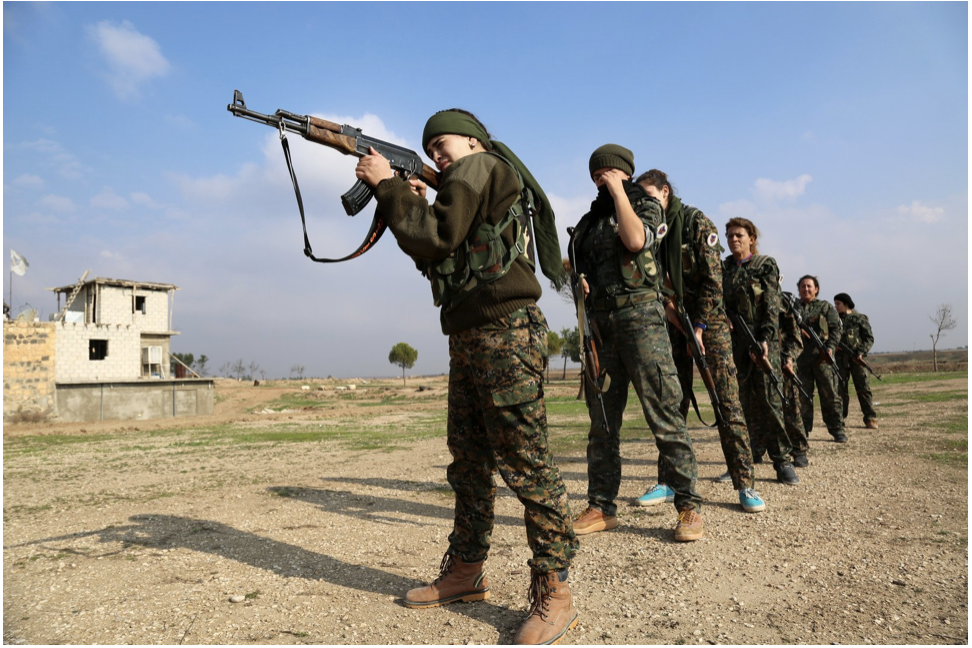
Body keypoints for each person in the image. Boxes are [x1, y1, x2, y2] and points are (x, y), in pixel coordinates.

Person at [355, 109, 577, 645]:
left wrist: (387, 184)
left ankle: (555, 588)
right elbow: (438, 255)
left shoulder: (479, 167)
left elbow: (435, 236)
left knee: (527, 464)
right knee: (470, 460)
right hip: (471, 335)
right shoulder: (467, 182)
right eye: (429, 148)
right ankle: (466, 572)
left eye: (443, 142)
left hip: (505, 331)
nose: (437, 153)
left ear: (473, 140)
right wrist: (405, 196)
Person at [569, 145, 704, 541]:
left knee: (664, 414)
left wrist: (619, 194)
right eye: (596, 172)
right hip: (602, 327)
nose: (601, 175)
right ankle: (601, 505)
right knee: (602, 422)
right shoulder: (589, 222)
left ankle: (689, 506)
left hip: (642, 321)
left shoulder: (646, 206)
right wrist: (581, 284)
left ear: (625, 172)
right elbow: (579, 266)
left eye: (609, 170)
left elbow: (634, 241)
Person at [635, 169, 764, 514]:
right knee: (670, 406)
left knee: (727, 404)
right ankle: (668, 481)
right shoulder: (651, 231)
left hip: (711, 326)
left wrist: (701, 328)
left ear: (665, 192)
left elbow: (713, 281)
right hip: (673, 324)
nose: (644, 204)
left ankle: (745, 483)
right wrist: (670, 310)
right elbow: (649, 279)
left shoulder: (696, 223)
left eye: (649, 197)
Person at [722, 218, 799, 486]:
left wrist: (765, 339)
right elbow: (718, 300)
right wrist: (724, 318)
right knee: (738, 405)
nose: (733, 240)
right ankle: (742, 462)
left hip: (762, 341)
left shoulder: (765, 264)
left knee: (770, 401)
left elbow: (771, 304)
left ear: (751, 238)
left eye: (739, 235)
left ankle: (782, 461)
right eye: (729, 235)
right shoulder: (725, 268)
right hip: (735, 343)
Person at [794, 275, 848, 443]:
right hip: (800, 360)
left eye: (809, 286)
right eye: (803, 286)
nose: (806, 289)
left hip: (822, 359)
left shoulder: (825, 307)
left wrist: (830, 348)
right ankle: (803, 431)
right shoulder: (793, 308)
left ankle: (837, 429)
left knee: (830, 395)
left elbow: (836, 330)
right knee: (802, 397)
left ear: (816, 289)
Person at [833, 293, 878, 429]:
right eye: (835, 304)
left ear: (846, 304)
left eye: (838, 304)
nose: (835, 307)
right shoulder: (834, 320)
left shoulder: (859, 318)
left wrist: (861, 352)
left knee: (863, 388)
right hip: (840, 359)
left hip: (857, 358)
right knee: (840, 390)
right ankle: (840, 419)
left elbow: (869, 338)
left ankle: (870, 418)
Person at [779, 298, 810, 467]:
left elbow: (795, 338)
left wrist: (789, 358)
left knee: (791, 405)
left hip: (783, 361)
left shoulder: (782, 303)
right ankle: (757, 448)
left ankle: (798, 449)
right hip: (751, 361)